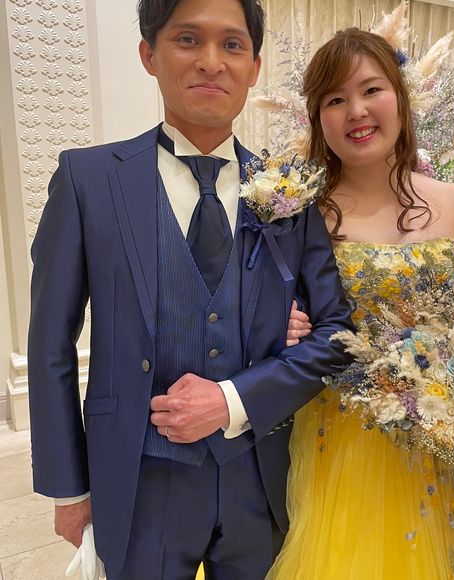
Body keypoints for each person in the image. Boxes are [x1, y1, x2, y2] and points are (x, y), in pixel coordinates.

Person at [27, 0, 354, 578]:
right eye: (187, 39)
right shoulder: (88, 180)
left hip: (260, 475)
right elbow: (50, 343)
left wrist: (234, 400)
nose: (211, 61)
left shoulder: (289, 192)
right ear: (149, 54)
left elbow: (336, 334)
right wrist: (68, 488)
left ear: (254, 67)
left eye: (232, 45)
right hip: (138, 476)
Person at [268, 28, 454, 579]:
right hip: (349, 439)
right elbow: (276, 317)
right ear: (318, 118)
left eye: (371, 90)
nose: (356, 111)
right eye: (335, 99)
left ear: (399, 98)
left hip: (451, 434)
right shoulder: (302, 217)